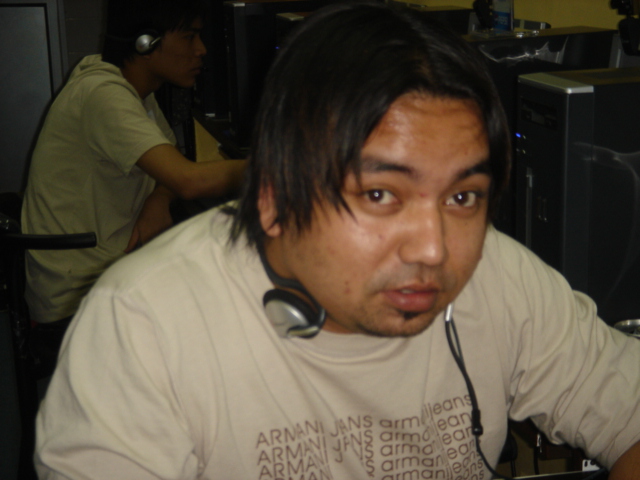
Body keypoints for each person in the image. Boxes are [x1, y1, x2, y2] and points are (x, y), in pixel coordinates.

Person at [35, 2, 640, 479]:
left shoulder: (499, 273)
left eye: (462, 197)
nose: (434, 251)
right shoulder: (145, 324)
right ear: (272, 197)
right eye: (379, 194)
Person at [20, 0, 246, 358]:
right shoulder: (104, 94)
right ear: (145, 43)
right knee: (231, 306)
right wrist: (282, 164)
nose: (201, 49)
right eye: (189, 37)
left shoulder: (132, 90)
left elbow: (170, 167)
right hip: (76, 297)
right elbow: (187, 179)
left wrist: (159, 198)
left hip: (111, 267)